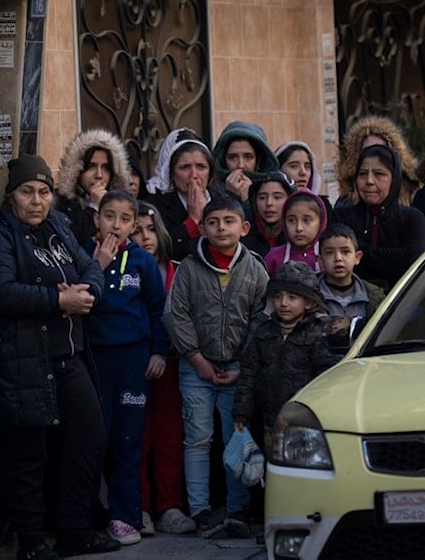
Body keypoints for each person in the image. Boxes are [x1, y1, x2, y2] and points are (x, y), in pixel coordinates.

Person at [0, 154, 119, 560]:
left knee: (88, 438)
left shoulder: (59, 226)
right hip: (24, 363)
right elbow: (0, 291)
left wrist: (87, 292)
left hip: (69, 359)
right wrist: (60, 300)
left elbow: (91, 266)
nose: (36, 201)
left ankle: (74, 531)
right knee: (28, 456)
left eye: (44, 192)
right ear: (11, 196)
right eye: (27, 192)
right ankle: (32, 543)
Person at [162, 195, 269, 540]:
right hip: (197, 369)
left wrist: (244, 367)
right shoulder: (189, 268)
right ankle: (201, 510)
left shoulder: (255, 268)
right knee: (198, 438)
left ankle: (237, 509)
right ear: (203, 228)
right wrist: (196, 359)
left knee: (235, 436)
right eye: (213, 222)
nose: (221, 228)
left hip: (238, 368)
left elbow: (261, 319)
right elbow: (175, 314)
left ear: (244, 227)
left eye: (229, 221)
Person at [83, 191, 168, 546]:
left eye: (124, 219)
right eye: (109, 217)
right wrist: (97, 264)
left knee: (128, 439)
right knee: (93, 439)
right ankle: (85, 515)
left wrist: (159, 352)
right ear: (96, 219)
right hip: (94, 359)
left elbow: (158, 310)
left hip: (135, 360)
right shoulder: (82, 254)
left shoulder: (142, 263)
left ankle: (124, 516)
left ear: (134, 225)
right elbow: (78, 293)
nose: (115, 225)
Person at [130, 201, 196, 536]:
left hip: (172, 365)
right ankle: (138, 509)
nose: (145, 236)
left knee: (170, 437)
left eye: (150, 229)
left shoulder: (179, 269)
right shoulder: (122, 269)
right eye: (137, 230)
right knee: (135, 438)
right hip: (132, 365)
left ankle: (170, 506)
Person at [233, 262, 338, 449]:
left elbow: (326, 379)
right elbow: (248, 374)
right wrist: (241, 413)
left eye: (292, 297)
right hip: (269, 422)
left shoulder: (319, 334)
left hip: (306, 424)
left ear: (309, 302)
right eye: (278, 296)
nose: (283, 303)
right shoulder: (263, 333)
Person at [335, 145, 425, 289]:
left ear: (394, 179)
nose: (369, 181)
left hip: (398, 303)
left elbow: (410, 261)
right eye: (363, 173)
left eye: (379, 174)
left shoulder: (411, 218)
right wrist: (392, 257)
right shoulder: (341, 216)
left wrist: (359, 249)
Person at [146, 128, 216, 261]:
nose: (194, 175)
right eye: (185, 167)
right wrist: (193, 220)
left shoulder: (221, 201)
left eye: (201, 167)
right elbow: (164, 252)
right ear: (171, 174)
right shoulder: (155, 206)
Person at [316, 223, 385, 354]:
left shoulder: (374, 297)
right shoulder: (310, 295)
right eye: (330, 253)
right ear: (320, 260)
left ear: (357, 257)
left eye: (345, 252)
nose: (338, 258)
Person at [56, 129, 130, 243]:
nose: (99, 175)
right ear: (77, 169)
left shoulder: (124, 202)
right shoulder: (60, 202)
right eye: (91, 166)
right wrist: (93, 207)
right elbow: (66, 241)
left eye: (105, 168)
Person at [335, 116, 420, 207]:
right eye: (367, 151)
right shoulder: (345, 204)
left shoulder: (414, 195)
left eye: (382, 151)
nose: (374, 156)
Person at [212, 121, 279, 214]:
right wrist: (230, 196)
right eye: (232, 157)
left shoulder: (273, 188)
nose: (241, 165)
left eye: (248, 157)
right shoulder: (212, 191)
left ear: (258, 160)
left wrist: (247, 200)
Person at [264, 188, 327, 276]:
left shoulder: (327, 256)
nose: (299, 228)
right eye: (292, 220)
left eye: (306, 220)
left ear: (321, 222)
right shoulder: (274, 258)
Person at [241, 170, 295, 258]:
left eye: (277, 197)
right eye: (262, 197)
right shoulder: (243, 234)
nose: (269, 203)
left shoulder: (297, 235)